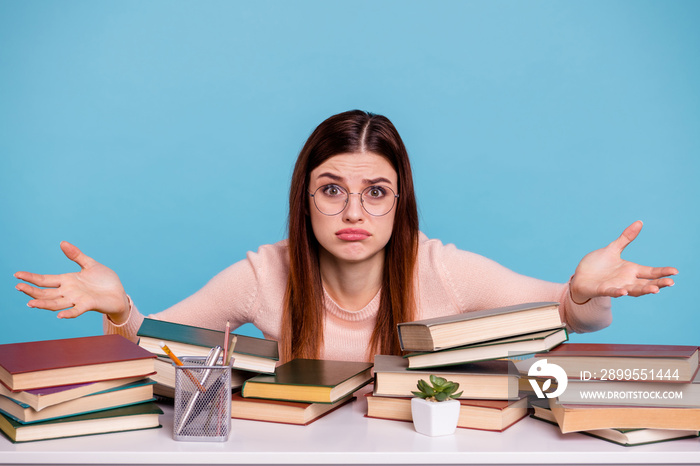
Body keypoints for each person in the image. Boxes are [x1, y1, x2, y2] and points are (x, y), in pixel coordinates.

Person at [14, 110, 678, 363]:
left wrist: (585, 289)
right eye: (332, 189)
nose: (352, 210)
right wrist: (117, 309)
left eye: (375, 192)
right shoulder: (263, 273)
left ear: (399, 204)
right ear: (305, 202)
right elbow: (166, 347)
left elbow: (565, 313)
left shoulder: (440, 268)